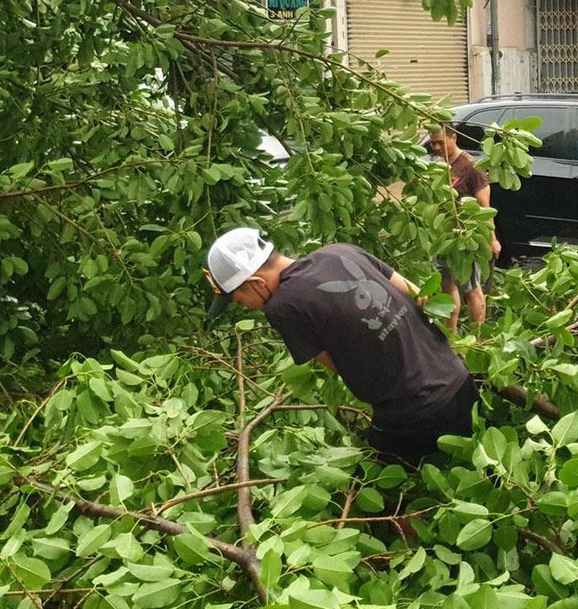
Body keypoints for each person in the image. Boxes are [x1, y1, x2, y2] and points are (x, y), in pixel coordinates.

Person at [203, 227, 476, 465]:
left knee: (395, 505)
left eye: (240, 300)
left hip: (412, 414)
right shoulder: (341, 250)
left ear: (256, 283)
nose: (248, 308)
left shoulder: (282, 307)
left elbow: (340, 366)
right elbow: (420, 295)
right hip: (459, 380)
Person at [426, 124, 500, 330]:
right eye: (433, 143)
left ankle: (478, 339)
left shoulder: (471, 167)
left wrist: (491, 239)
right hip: (445, 239)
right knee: (447, 286)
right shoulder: (440, 166)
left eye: (441, 142)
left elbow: (485, 208)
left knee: (472, 288)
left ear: (454, 138)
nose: (436, 147)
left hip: (467, 240)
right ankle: (451, 339)